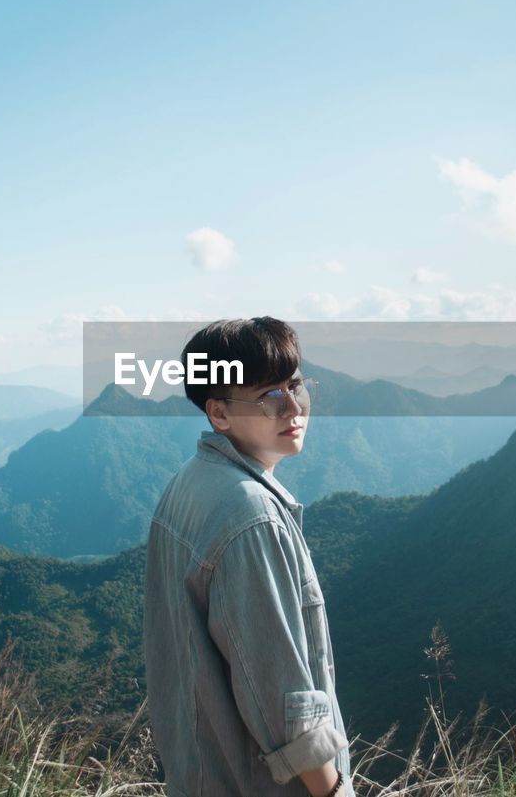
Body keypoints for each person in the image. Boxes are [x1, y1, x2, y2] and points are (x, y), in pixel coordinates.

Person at [143, 317, 354, 796]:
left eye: (295, 386)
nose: (293, 408)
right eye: (268, 397)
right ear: (218, 413)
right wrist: (334, 791)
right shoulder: (252, 517)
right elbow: (285, 702)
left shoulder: (190, 483)